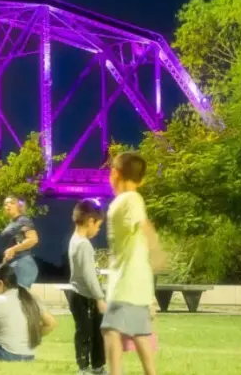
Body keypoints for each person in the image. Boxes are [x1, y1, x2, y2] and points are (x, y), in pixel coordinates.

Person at [102, 152, 166, 375]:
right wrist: (155, 252)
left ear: (115, 173)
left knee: (111, 329)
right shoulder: (131, 200)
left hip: (125, 283)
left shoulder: (129, 199)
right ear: (143, 179)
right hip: (139, 283)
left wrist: (156, 249)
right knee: (139, 333)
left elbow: (142, 223)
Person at [68, 198, 108, 375]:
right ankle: (86, 368)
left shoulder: (74, 239)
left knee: (92, 332)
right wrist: (99, 298)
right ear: (90, 221)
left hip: (79, 295)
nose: (98, 230)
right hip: (86, 297)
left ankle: (96, 367)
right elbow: (89, 275)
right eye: (98, 225)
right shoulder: (83, 245)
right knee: (88, 333)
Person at [0, 195, 40, 288]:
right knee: (14, 299)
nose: (8, 205)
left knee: (18, 298)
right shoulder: (13, 222)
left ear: (19, 206)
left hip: (22, 263)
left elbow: (33, 239)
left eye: (12, 203)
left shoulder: (23, 220)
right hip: (14, 264)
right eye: (5, 204)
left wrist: (13, 249)